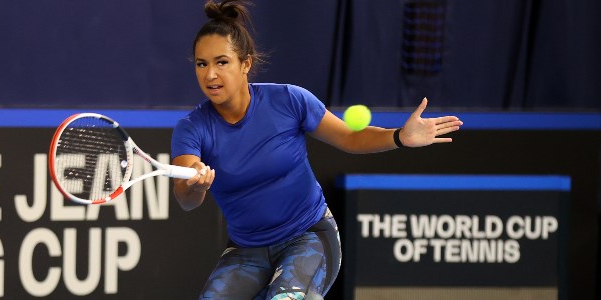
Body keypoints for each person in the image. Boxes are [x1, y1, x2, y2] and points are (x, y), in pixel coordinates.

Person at [170, 0, 463, 298]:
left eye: (222, 62)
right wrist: (196, 184)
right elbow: (186, 198)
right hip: (247, 250)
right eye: (201, 64)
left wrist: (400, 136)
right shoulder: (192, 127)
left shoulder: (289, 100)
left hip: (308, 237)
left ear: (245, 63)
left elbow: (349, 138)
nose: (210, 75)